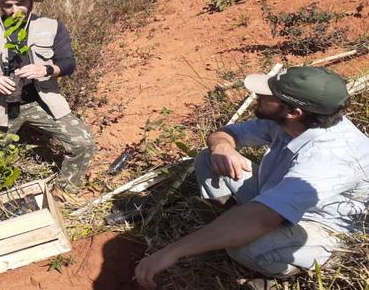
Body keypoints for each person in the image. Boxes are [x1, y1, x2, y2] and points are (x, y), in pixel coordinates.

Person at [135, 66, 369, 290]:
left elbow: (263, 217)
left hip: (323, 227)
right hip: (275, 197)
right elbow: (226, 134)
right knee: (210, 159)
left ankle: (286, 273)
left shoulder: (330, 157)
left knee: (245, 249)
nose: (258, 94)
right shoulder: (291, 122)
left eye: (269, 95)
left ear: (293, 112)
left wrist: (172, 251)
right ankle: (225, 229)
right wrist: (223, 148)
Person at [0, 0, 95, 196]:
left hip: (41, 101)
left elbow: (68, 63)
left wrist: (46, 69)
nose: (15, 10)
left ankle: (64, 194)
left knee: (83, 142)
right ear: (0, 5)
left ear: (31, 1)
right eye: (8, 5)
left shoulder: (52, 27)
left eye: (21, 3)